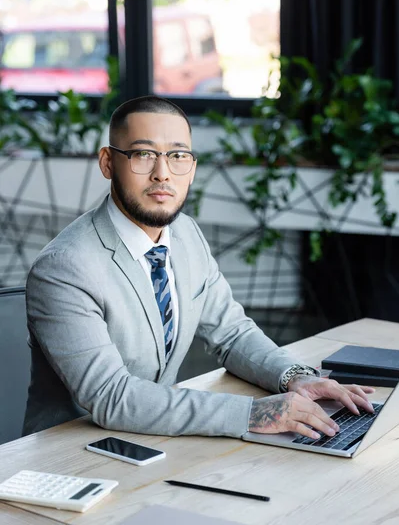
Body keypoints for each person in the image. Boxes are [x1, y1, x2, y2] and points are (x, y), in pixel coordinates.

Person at [23, 95, 375, 440]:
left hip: (158, 439)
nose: (163, 174)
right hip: (73, 456)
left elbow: (232, 333)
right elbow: (111, 396)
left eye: (177, 156)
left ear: (191, 168)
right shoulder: (64, 269)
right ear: (107, 163)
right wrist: (252, 413)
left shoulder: (185, 234)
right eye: (143, 154)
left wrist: (295, 377)